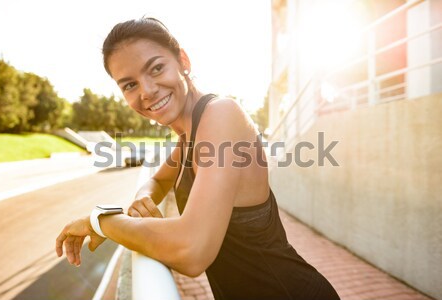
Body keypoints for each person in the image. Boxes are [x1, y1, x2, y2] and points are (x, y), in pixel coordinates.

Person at [55, 17, 340, 300]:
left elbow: (192, 252)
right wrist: (144, 197)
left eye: (156, 68)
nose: (146, 90)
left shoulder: (221, 114)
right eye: (129, 85)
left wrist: (101, 221)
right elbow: (158, 179)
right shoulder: (187, 137)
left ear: (183, 61)